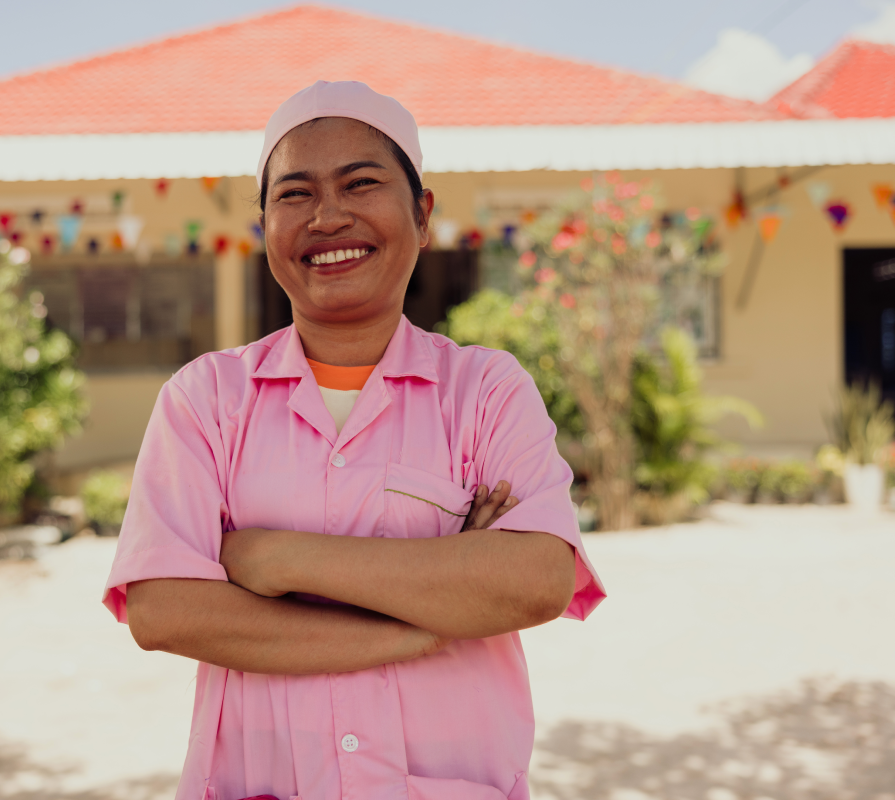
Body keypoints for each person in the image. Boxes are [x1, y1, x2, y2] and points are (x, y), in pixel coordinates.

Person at [103, 80, 606, 800]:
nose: (328, 216)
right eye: (295, 194)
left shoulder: (485, 391)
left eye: (360, 183)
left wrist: (273, 558)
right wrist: (425, 622)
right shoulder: (206, 400)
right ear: (264, 226)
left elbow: (534, 581)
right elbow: (164, 611)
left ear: (422, 215)